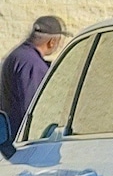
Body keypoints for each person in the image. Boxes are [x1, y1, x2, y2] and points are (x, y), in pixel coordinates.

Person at [2, 15, 67, 151]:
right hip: (25, 146)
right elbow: (36, 110)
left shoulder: (19, 56)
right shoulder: (33, 64)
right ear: (52, 42)